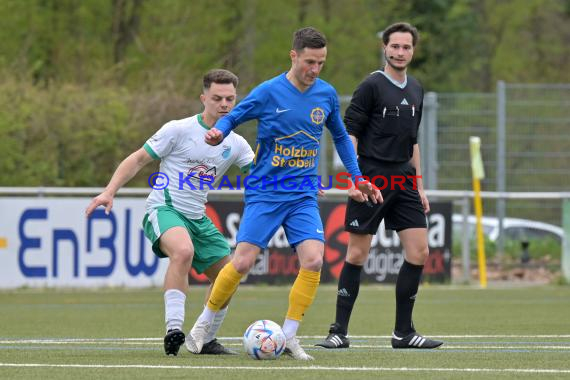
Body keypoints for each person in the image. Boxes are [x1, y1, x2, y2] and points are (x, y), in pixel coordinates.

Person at [184, 27, 380, 361]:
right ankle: (203, 324)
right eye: (309, 61)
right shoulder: (269, 92)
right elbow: (236, 115)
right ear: (294, 56)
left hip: (303, 194)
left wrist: (357, 177)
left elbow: (342, 138)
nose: (315, 69)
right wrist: (220, 131)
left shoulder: (326, 95)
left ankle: (288, 336)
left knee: (315, 259)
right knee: (242, 262)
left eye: (320, 62)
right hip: (266, 192)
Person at [85, 69, 254, 356]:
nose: (224, 104)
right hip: (165, 208)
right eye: (217, 98)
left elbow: (262, 176)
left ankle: (205, 339)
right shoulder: (178, 129)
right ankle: (173, 328)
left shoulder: (236, 144)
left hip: (198, 217)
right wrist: (109, 191)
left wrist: (300, 184)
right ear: (204, 98)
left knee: (230, 274)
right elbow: (138, 158)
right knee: (183, 252)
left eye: (230, 99)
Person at [316, 22, 443, 350]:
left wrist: (419, 184)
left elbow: (413, 141)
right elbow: (349, 134)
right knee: (357, 253)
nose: (400, 52)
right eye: (395, 46)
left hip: (404, 179)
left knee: (419, 252)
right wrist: (354, 178)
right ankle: (338, 331)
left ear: (413, 50)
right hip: (371, 177)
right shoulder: (370, 86)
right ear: (384, 49)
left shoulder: (416, 89)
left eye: (407, 47)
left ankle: (404, 333)